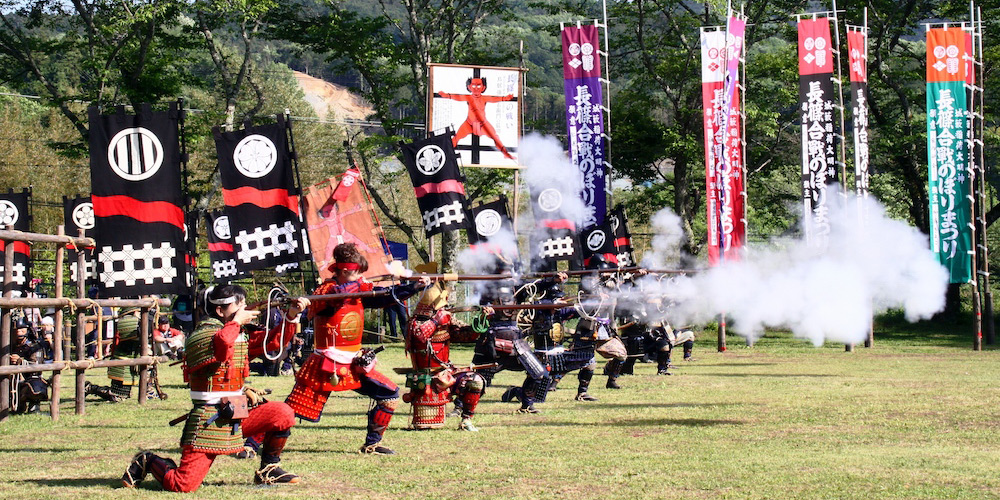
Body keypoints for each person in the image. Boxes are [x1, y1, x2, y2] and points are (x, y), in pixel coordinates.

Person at [121, 284, 308, 491]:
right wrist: (236, 322)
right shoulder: (203, 335)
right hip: (209, 419)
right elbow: (221, 347)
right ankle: (147, 460)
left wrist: (291, 316)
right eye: (240, 306)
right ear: (220, 310)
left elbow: (272, 343)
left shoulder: (237, 332)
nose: (244, 311)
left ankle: (269, 469)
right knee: (182, 485)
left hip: (237, 411)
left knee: (283, 413)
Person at [281, 243, 429, 455]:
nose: (361, 277)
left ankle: (372, 444)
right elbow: (337, 297)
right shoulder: (326, 291)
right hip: (326, 364)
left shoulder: (357, 290)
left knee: (390, 396)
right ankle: (252, 443)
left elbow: (386, 295)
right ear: (343, 271)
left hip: (353, 362)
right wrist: (359, 285)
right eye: (356, 273)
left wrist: (414, 287)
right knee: (291, 410)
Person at [472, 258, 551, 414]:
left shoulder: (517, 288)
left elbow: (536, 286)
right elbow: (482, 304)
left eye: (509, 273)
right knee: (475, 379)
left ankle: (527, 404)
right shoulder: (488, 290)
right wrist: (486, 309)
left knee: (539, 373)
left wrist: (553, 280)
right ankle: (461, 407)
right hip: (492, 339)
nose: (507, 277)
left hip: (515, 339)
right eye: (503, 274)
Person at [404, 281, 484, 431]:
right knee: (425, 422)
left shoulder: (446, 320)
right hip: (426, 378)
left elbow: (467, 335)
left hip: (445, 374)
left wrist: (482, 320)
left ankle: (466, 420)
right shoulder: (415, 322)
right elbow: (420, 336)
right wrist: (436, 320)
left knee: (475, 381)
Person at [436, 77, 515, 159]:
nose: (476, 88)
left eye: (478, 86)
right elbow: (457, 97)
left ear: (483, 87)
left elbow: (495, 99)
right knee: (456, 138)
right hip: (469, 124)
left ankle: (506, 154)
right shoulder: (468, 98)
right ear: (469, 87)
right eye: (473, 86)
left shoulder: (484, 98)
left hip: (483, 125)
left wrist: (505, 98)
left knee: (495, 137)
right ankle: (442, 154)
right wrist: (446, 95)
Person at [9, 316, 47, 414]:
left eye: (22, 329)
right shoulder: (8, 346)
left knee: (36, 384)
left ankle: (33, 402)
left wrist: (20, 361)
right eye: (16, 330)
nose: (18, 332)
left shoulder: (34, 346)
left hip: (29, 377)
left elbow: (36, 367)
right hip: (11, 378)